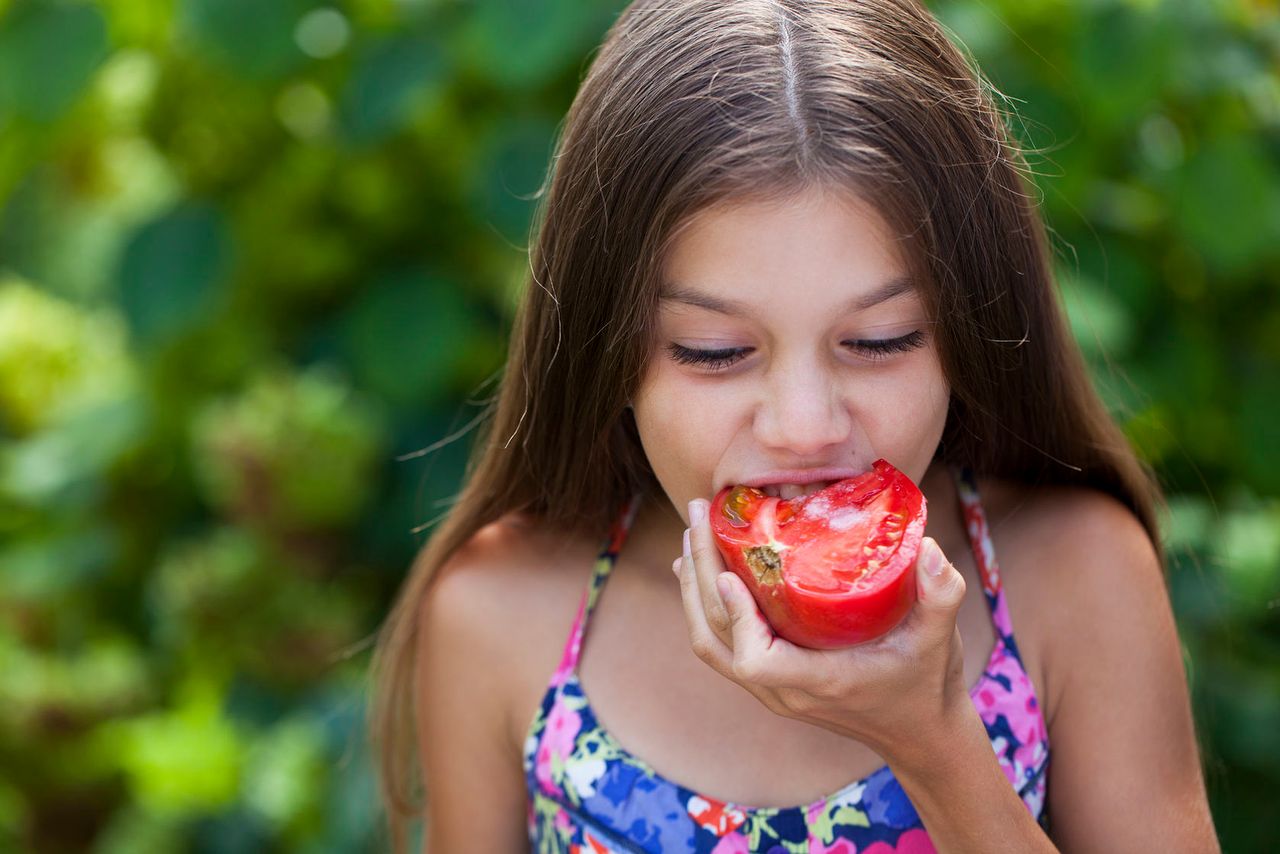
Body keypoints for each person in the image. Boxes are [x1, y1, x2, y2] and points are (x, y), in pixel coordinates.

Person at [368, 0, 1221, 851]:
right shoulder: (500, 610)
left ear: (969, 333)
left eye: (879, 341)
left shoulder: (1075, 573)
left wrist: (930, 741)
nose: (806, 427)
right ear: (606, 352)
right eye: (714, 351)